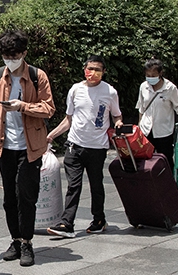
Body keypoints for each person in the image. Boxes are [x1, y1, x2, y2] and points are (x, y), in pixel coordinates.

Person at [0, 30, 55, 267]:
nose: (9, 60)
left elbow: (48, 109)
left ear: (24, 53)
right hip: (4, 145)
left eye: (14, 55)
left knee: (26, 195)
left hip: (31, 146)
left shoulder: (36, 76)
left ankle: (27, 242)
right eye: (5, 55)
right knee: (10, 196)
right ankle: (16, 240)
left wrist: (22, 106)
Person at [45, 55, 124, 238]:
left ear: (104, 72)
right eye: (90, 69)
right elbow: (68, 119)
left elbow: (117, 115)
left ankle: (99, 219)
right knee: (74, 185)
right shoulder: (75, 90)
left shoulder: (109, 92)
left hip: (97, 147)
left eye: (98, 69)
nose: (93, 73)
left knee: (96, 185)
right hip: (74, 145)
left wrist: (118, 124)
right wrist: (51, 136)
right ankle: (67, 223)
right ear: (84, 70)